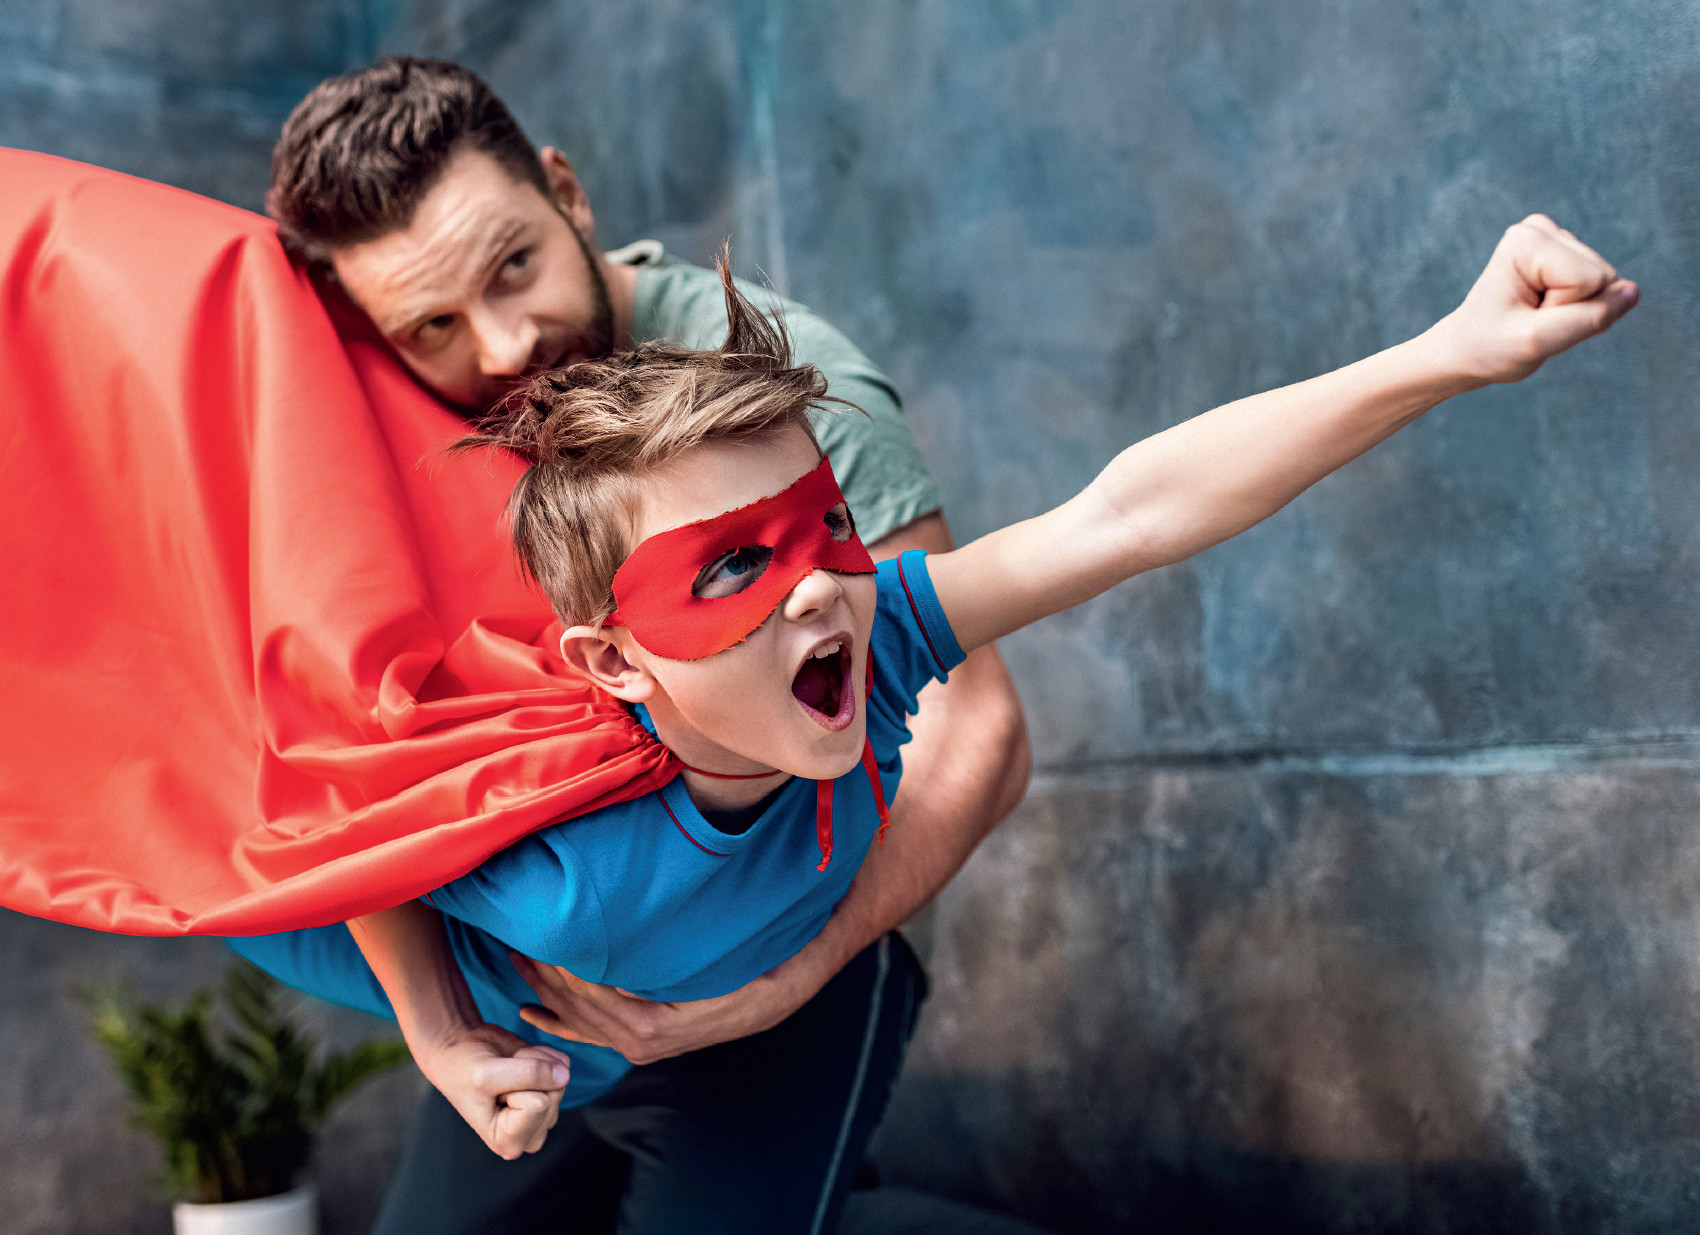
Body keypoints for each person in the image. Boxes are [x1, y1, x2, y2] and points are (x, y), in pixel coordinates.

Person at [239, 213, 1635, 1232]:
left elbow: (1130, 511)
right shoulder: (562, 860)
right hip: (568, 1033)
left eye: (823, 527)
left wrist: (1448, 353)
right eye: (730, 567)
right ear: (613, 660)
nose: (815, 592)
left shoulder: (883, 624)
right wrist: (443, 1032)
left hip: (787, 1014)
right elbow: (342, 846)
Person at [249, 49, 1028, 1198]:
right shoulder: (423, 422)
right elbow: (359, 741)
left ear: (566, 193)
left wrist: (772, 984)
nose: (502, 346)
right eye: (433, 324)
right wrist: (438, 1016)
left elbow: (982, 729)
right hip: (549, 988)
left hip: (786, 964)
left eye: (514, 266)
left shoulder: (784, 387)